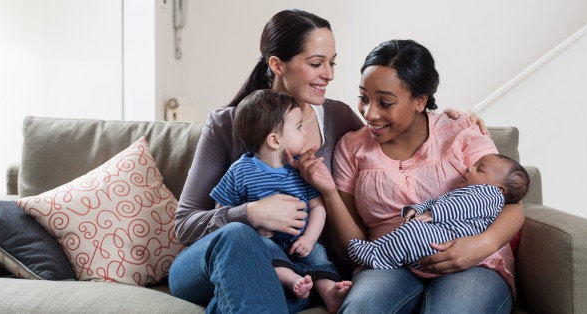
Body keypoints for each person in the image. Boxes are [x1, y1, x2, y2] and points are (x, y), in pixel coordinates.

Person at [169, 9, 486, 313]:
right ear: (278, 64)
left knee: (270, 287)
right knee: (239, 237)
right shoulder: (227, 124)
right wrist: (248, 213)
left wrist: (442, 116)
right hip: (212, 263)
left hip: (296, 272)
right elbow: (185, 224)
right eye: (316, 63)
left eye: (332, 63)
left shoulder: (338, 118)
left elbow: (395, 138)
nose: (329, 75)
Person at [289, 39, 524, 313]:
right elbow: (352, 245)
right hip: (389, 262)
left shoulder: (459, 130)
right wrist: (329, 193)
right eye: (364, 98)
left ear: (420, 100)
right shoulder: (352, 147)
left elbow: (510, 202)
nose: (369, 113)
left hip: (472, 262)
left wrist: (480, 246)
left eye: (385, 102)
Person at [210, 89, 352, 311]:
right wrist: (252, 224)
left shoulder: (302, 169)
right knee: (264, 250)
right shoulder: (240, 170)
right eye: (298, 127)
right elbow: (221, 210)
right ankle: (291, 280)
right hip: (265, 243)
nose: (305, 131)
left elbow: (318, 208)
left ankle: (327, 290)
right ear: (275, 140)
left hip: (300, 241)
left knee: (317, 254)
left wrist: (309, 238)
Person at [348, 153, 529, 270]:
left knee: (413, 232)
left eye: (479, 169)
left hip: (448, 240)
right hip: (438, 238)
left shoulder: (489, 196)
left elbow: (459, 206)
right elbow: (436, 202)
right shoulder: (468, 191)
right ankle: (380, 250)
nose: (469, 167)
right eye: (474, 164)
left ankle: (378, 256)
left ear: (499, 189)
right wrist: (415, 210)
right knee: (411, 230)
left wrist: (433, 214)